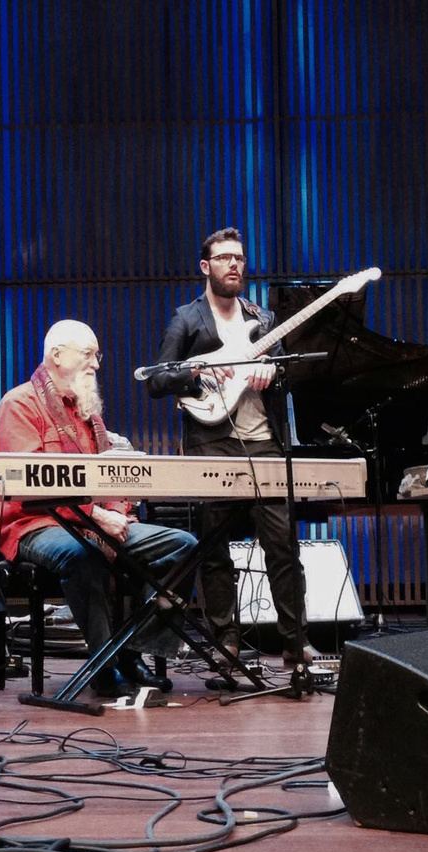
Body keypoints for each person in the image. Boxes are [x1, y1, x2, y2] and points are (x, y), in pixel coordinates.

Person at [0, 319, 199, 698]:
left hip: (94, 520)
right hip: (34, 525)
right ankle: (104, 666)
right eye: (88, 354)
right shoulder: (18, 404)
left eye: (97, 355)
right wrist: (96, 517)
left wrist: (116, 511)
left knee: (183, 546)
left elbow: (111, 474)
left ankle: (133, 649)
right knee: (85, 554)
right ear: (57, 355)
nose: (97, 364)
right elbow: (31, 486)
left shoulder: (87, 411)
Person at [146, 226, 318, 668]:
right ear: (206, 267)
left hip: (264, 442)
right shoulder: (187, 318)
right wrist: (196, 370)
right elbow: (157, 380)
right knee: (214, 549)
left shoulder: (264, 320)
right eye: (224, 258)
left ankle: (295, 642)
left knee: (284, 547)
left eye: (239, 258)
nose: (234, 265)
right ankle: (227, 641)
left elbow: (290, 373)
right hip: (211, 443)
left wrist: (273, 372)